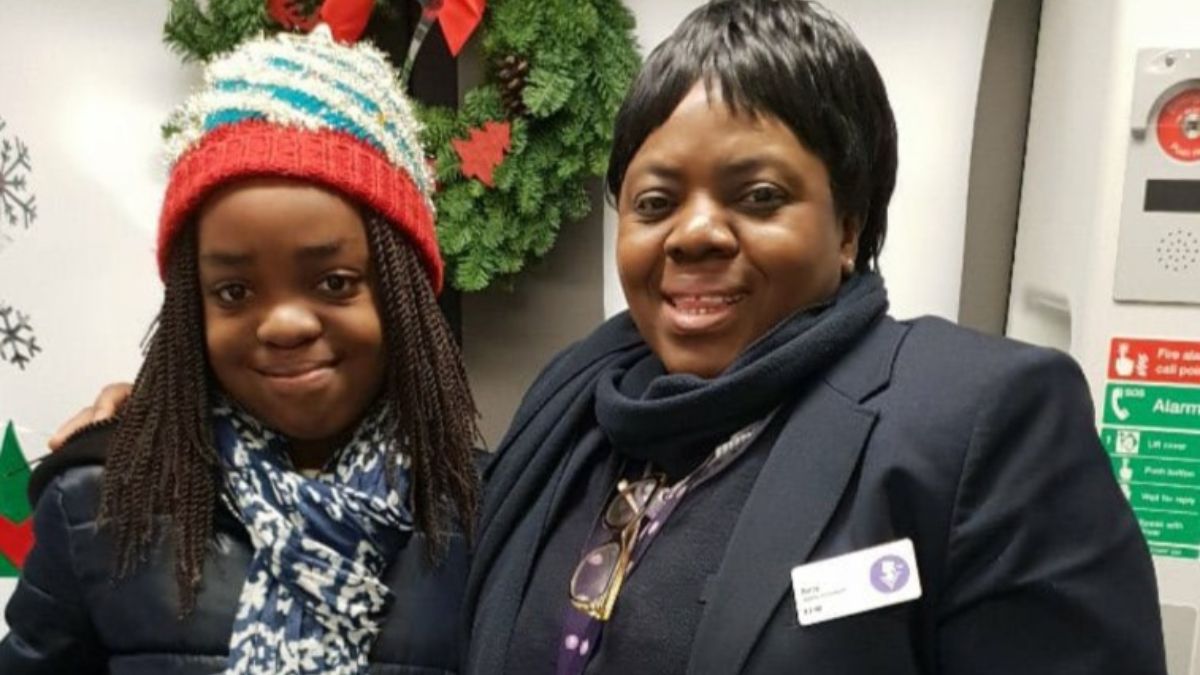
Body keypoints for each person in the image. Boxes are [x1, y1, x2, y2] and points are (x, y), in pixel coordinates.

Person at [49, 2, 1169, 674]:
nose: (695, 236)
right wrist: (142, 433)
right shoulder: (573, 418)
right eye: (654, 200)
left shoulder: (972, 421)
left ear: (854, 224)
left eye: (759, 194)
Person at [1, 23, 479, 674]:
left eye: (335, 282)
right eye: (233, 291)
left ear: (405, 296)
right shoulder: (99, 506)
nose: (282, 322)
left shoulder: (487, 511)